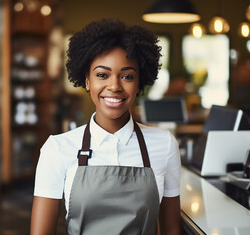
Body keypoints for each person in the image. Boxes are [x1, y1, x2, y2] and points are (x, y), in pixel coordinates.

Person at [31, 18, 181, 235]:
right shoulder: (57, 149)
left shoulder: (164, 144)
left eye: (127, 76)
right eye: (102, 75)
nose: (114, 86)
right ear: (87, 80)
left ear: (139, 83)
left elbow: (171, 230)